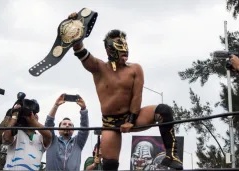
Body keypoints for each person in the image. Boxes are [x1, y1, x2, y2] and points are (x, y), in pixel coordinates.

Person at [68, 13, 183, 170]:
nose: (125, 52)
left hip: (133, 116)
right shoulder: (99, 67)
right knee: (109, 165)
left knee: (164, 111)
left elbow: (137, 95)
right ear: (110, 50)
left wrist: (131, 119)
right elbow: (80, 51)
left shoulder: (135, 69)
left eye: (126, 49)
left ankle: (171, 155)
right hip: (110, 122)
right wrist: (74, 30)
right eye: (120, 49)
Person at [2, 99, 52, 170]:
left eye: (35, 114)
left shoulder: (40, 138)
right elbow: (6, 139)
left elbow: (49, 136)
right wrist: (14, 116)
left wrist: (34, 123)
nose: (33, 116)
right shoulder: (16, 132)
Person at [45, 94, 89, 171]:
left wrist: (83, 109)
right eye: (64, 124)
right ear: (58, 129)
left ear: (73, 130)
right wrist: (56, 105)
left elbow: (84, 128)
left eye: (70, 125)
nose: (67, 126)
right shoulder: (51, 140)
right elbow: (48, 124)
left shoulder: (78, 142)